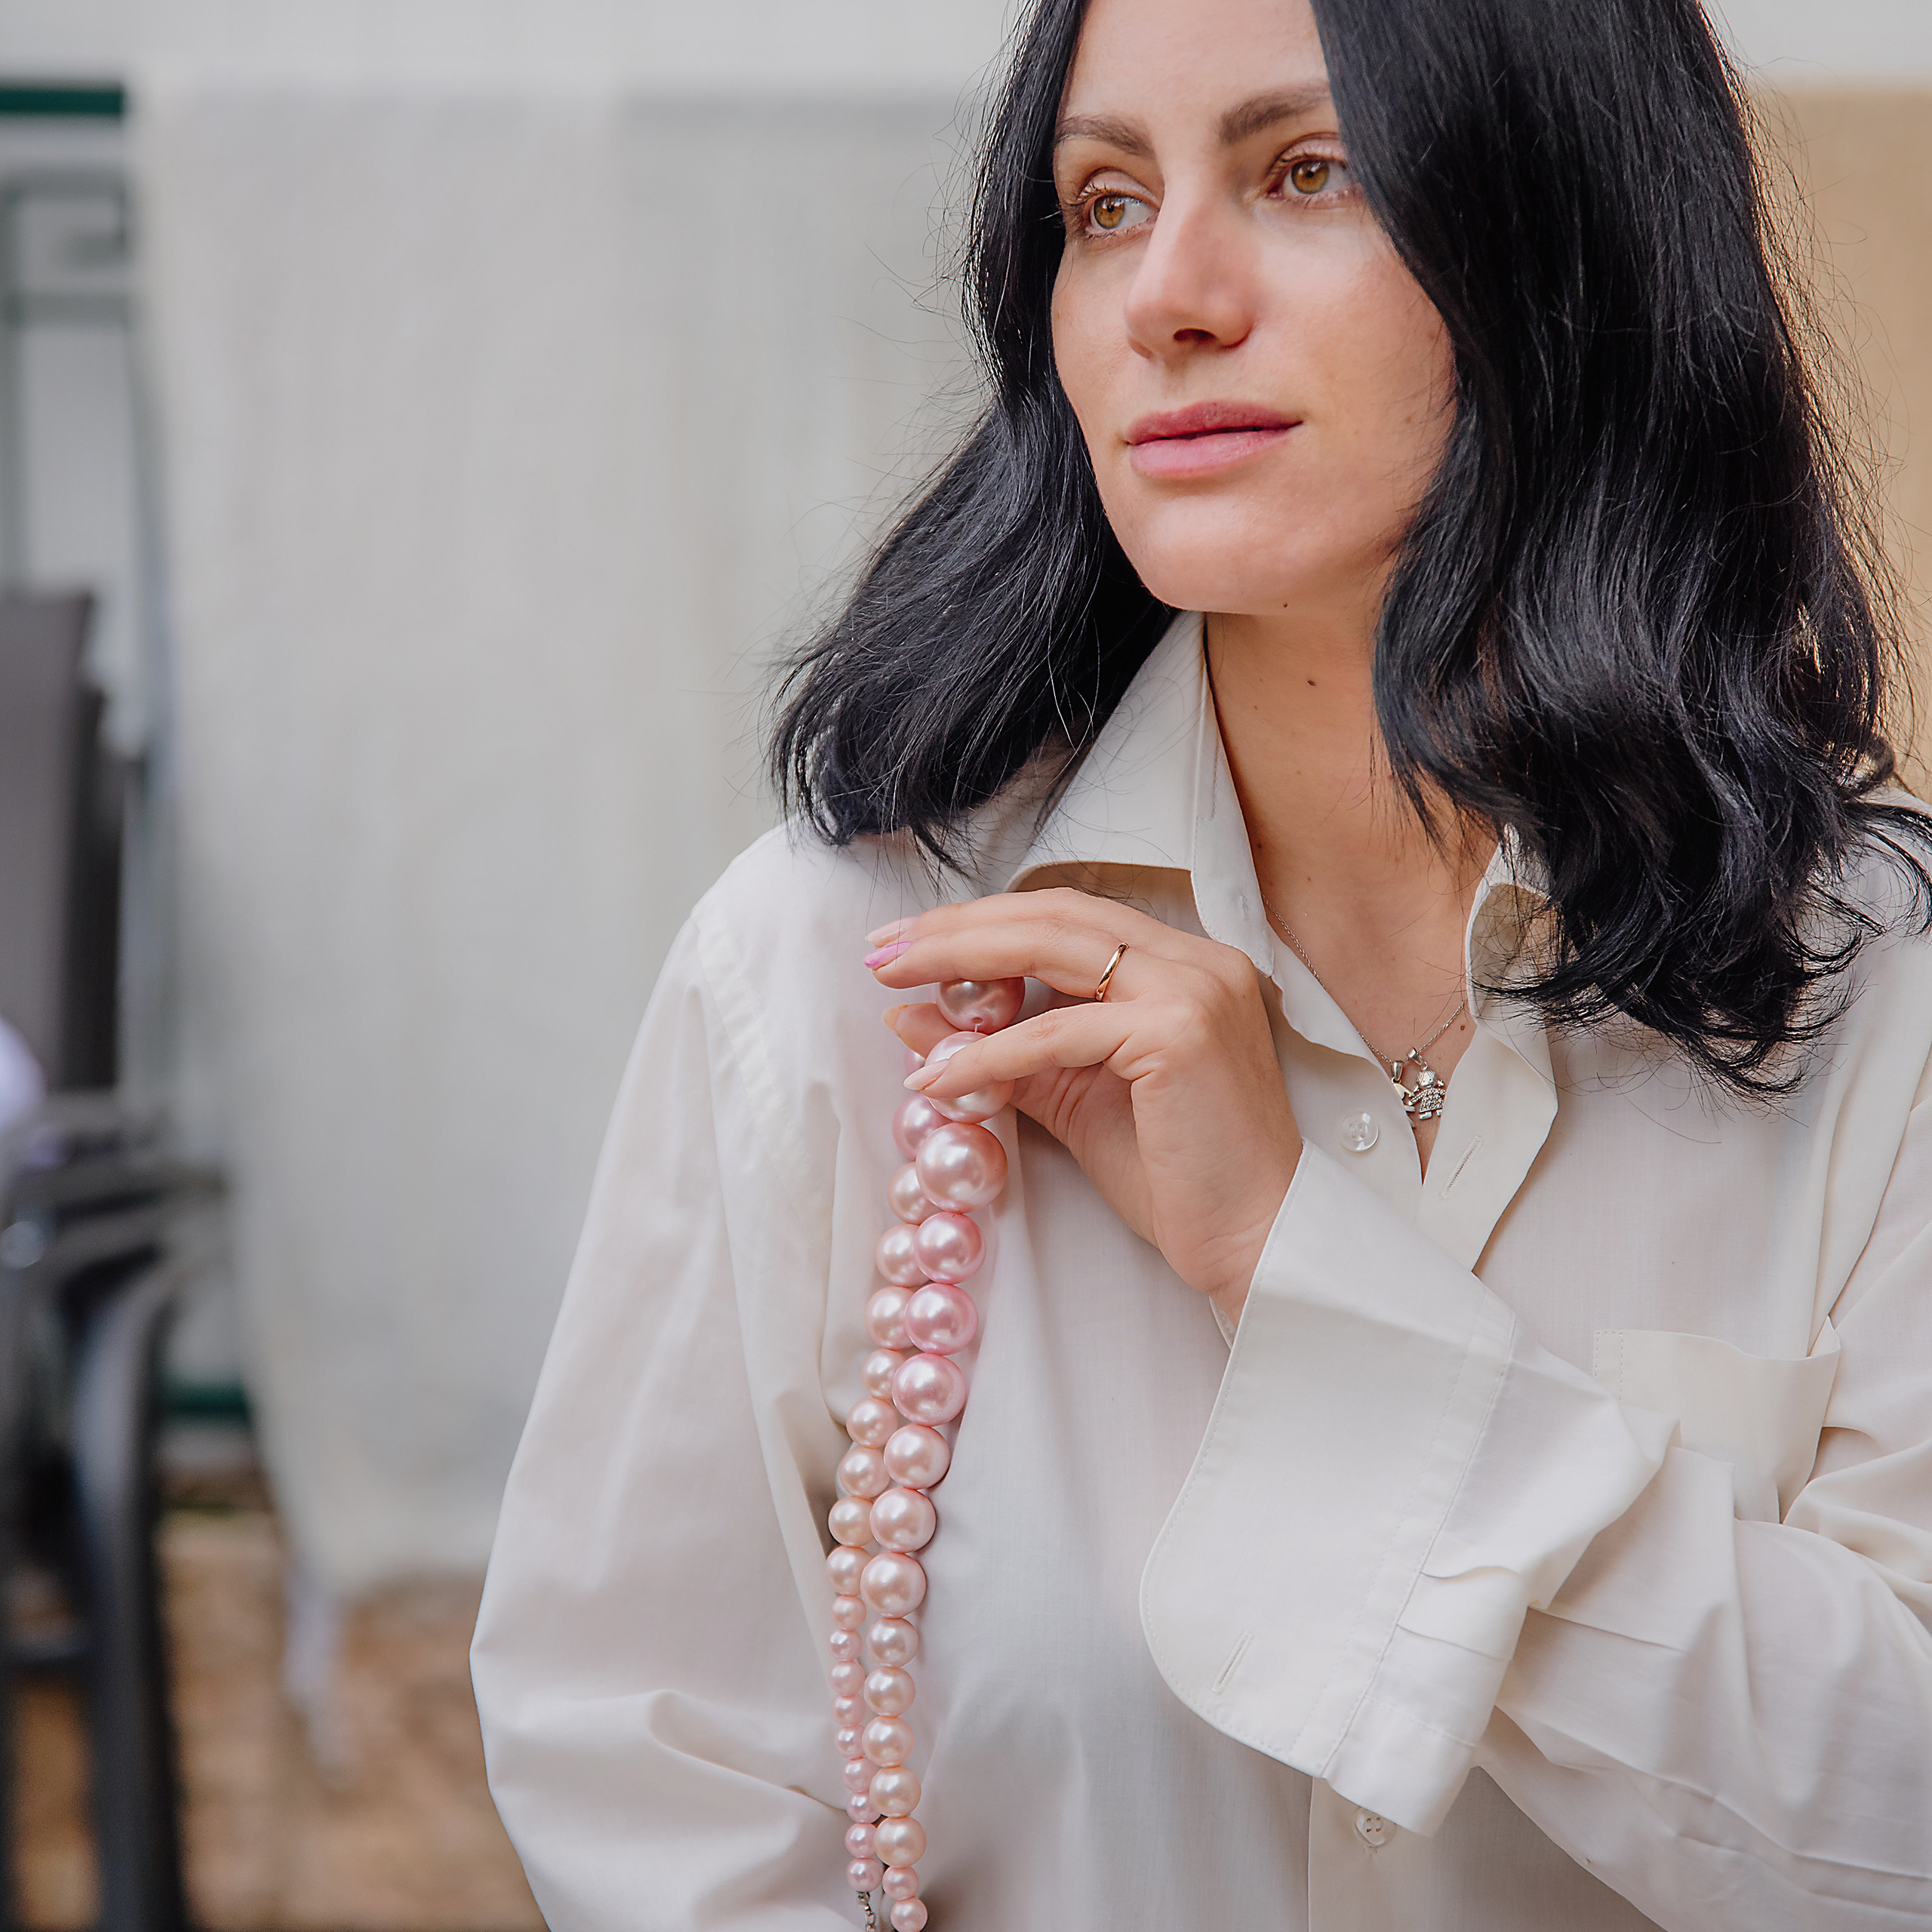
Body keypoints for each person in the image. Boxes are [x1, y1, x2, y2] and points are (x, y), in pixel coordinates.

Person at [469, 0, 1932, 1924]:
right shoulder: (837, 971)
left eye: (1302, 171)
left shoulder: (1884, 996)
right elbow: (650, 1790)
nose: (1165, 294)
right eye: (1100, 200)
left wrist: (1286, 1269)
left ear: (1564, 232)